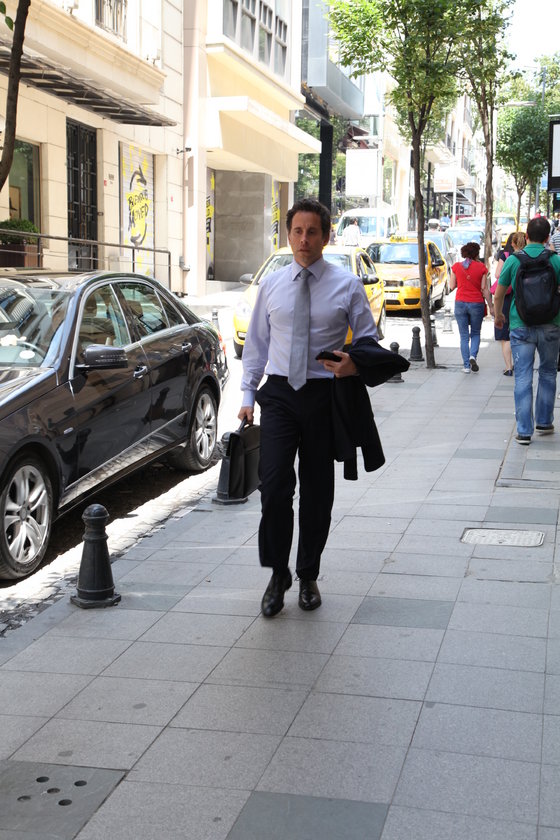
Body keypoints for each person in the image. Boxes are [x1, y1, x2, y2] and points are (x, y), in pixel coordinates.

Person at [238, 198, 377, 617]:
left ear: (326, 236)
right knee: (274, 487)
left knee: (317, 491)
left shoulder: (346, 285)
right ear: (288, 234)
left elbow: (367, 340)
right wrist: (247, 396)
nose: (303, 239)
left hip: (323, 396)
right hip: (280, 394)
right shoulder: (271, 286)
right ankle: (277, 573)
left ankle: (308, 574)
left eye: (312, 232)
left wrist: (354, 363)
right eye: (297, 231)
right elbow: (256, 344)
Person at [494, 216, 560, 444]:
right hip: (551, 324)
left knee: (522, 375)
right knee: (548, 372)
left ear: (527, 236)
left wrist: (498, 315)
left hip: (520, 325)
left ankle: (524, 431)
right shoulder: (556, 261)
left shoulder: (514, 260)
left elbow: (499, 293)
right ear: (547, 237)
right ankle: (544, 421)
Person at [449, 241, 493, 373]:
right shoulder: (482, 268)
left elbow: (451, 286)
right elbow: (484, 289)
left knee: (463, 336)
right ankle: (473, 356)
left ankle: (466, 366)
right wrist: (491, 306)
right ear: (476, 254)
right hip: (476, 303)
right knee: (475, 333)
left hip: (460, 302)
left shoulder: (456, 267)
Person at [492, 231, 527, 376]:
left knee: (505, 336)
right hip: (524, 298)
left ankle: (508, 367)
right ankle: (519, 365)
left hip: (506, 297)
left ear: (512, 243)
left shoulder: (506, 256)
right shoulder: (530, 257)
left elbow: (497, 274)